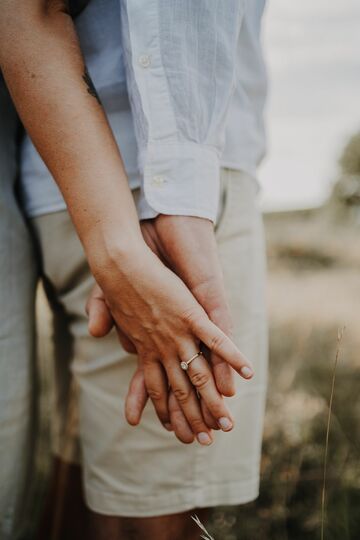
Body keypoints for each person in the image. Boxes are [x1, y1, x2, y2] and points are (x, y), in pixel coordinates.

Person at [0, 1, 268, 539]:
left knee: (77, 475)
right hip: (155, 183)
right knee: (151, 513)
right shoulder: (173, 199)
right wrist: (175, 200)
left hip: (53, 173)